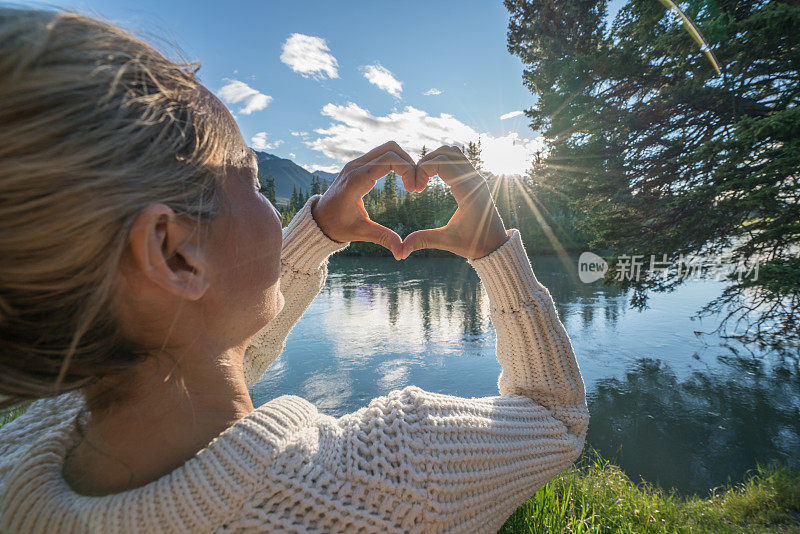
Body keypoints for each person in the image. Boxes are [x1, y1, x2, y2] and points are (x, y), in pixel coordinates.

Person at [0, 7, 588, 533]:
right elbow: (554, 418)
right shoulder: (400, 480)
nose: (273, 206)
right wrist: (493, 251)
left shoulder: (26, 452)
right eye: (253, 181)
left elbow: (201, 351)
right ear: (175, 254)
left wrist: (318, 237)